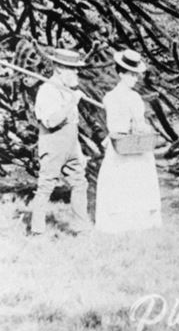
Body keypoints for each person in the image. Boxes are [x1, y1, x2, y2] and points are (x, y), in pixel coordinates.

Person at [95, 49, 162, 233]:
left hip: (131, 143)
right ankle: (122, 224)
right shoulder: (118, 98)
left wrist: (140, 127)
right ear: (121, 74)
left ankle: (136, 224)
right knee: (123, 182)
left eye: (136, 75)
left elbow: (136, 123)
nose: (135, 78)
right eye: (131, 75)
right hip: (123, 145)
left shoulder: (129, 97)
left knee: (134, 183)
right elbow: (120, 126)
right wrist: (138, 127)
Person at [29, 47, 91, 236]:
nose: (76, 72)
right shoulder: (47, 91)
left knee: (80, 184)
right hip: (53, 145)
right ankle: (37, 231)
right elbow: (51, 121)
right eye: (72, 69)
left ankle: (81, 228)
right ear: (59, 69)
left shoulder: (67, 91)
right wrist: (72, 102)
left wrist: (78, 152)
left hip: (70, 146)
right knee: (46, 187)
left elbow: (72, 125)